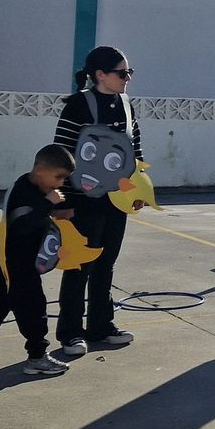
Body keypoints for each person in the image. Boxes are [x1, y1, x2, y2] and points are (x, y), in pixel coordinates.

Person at [0, 145, 77, 377]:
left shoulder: (35, 187)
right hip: (16, 263)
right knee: (33, 307)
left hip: (10, 261)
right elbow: (22, 224)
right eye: (58, 177)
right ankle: (37, 357)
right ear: (41, 169)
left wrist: (55, 213)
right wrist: (48, 204)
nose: (60, 184)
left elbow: (34, 217)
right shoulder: (23, 190)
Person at [53, 45, 142, 356]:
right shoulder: (78, 105)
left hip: (115, 202)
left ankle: (101, 326)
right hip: (82, 202)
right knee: (79, 267)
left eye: (130, 72)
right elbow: (60, 154)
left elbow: (135, 151)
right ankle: (70, 333)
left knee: (106, 265)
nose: (127, 78)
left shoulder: (128, 105)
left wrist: (138, 192)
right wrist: (60, 201)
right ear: (100, 75)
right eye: (122, 73)